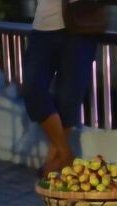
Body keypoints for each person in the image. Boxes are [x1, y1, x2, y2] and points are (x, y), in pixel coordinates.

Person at [22, 0, 101, 177]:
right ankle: (66, 155)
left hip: (81, 27)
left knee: (68, 98)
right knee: (32, 89)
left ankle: (54, 163)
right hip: (43, 27)